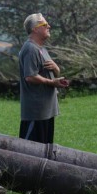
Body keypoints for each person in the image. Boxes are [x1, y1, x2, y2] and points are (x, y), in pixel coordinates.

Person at [19, 13, 69, 144]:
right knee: (29, 151)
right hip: (36, 112)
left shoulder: (41, 49)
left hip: (46, 111)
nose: (49, 26)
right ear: (35, 28)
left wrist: (56, 69)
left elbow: (49, 72)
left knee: (45, 150)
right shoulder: (30, 48)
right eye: (45, 24)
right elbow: (30, 76)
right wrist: (52, 82)